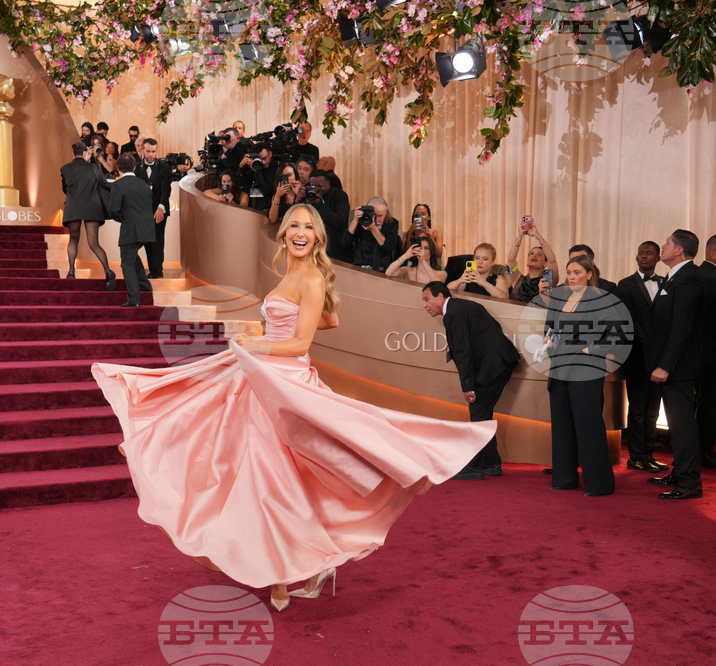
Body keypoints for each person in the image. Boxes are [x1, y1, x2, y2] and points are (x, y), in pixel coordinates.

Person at [91, 205, 496, 612]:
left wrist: (255, 344)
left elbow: (301, 346)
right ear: (284, 233)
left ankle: (284, 576)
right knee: (264, 476)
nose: (300, 233)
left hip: (286, 383)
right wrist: (269, 340)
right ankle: (297, 568)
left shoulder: (313, 276)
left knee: (276, 480)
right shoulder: (293, 275)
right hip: (265, 378)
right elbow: (330, 321)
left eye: (308, 227)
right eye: (294, 226)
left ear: (317, 237)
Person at [542, 255, 630, 496]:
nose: (571, 277)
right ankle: (564, 478)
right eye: (569, 272)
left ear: (590, 274)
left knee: (588, 424)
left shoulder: (601, 300)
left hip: (586, 368)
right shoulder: (560, 299)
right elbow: (550, 328)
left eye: (576, 272)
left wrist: (592, 349)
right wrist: (547, 341)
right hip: (559, 368)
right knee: (562, 425)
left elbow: (617, 335)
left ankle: (599, 484)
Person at [422, 281, 520, 480]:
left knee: (478, 414)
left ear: (440, 297)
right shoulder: (462, 307)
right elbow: (494, 328)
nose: (424, 305)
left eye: (426, 299)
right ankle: (491, 464)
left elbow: (463, 352)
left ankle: (475, 467)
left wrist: (468, 387)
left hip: (494, 367)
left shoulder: (454, 314)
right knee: (481, 415)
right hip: (498, 363)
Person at [645, 230, 705, 499]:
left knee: (682, 425)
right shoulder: (676, 276)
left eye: (667, 242)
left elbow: (682, 328)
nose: (663, 246)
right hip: (671, 365)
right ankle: (680, 472)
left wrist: (665, 365)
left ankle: (690, 482)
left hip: (679, 368)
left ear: (679, 250)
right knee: (675, 423)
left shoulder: (689, 278)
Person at [615, 241, 668, 473]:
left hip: (660, 357)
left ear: (658, 258)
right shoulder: (625, 285)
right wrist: (651, 344)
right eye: (641, 253)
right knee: (637, 406)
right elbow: (626, 321)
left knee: (653, 408)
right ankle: (636, 456)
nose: (644, 257)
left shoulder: (666, 283)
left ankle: (648, 453)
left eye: (649, 254)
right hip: (637, 354)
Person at [60, 142, 115, 290]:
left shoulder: (65, 169)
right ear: (86, 153)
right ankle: (108, 271)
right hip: (92, 207)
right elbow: (104, 184)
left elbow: (65, 188)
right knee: (94, 243)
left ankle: (71, 271)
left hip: (73, 208)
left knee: (73, 239)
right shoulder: (94, 168)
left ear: (73, 154)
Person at [108, 154, 154, 307]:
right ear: (134, 167)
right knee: (132, 255)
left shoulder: (118, 185)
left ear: (118, 169)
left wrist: (121, 218)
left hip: (131, 228)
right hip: (147, 228)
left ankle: (134, 299)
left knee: (126, 263)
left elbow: (113, 210)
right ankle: (145, 285)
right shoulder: (144, 184)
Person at [134, 138, 172, 279]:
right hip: (143, 211)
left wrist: (160, 208)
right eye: (148, 151)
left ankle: (157, 272)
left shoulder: (164, 167)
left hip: (159, 209)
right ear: (142, 150)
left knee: (157, 240)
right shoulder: (137, 167)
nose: (151, 154)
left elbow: (166, 190)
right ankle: (151, 270)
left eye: (153, 151)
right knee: (147, 242)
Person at [506, 219, 560, 302]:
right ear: (527, 260)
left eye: (539, 254)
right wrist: (520, 237)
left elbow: (552, 261)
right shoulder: (517, 279)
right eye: (531, 254)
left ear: (545, 263)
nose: (534, 255)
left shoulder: (548, 280)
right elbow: (510, 260)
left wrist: (538, 237)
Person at [343, 197, 401, 273]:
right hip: (359, 269)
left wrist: (373, 229)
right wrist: (355, 220)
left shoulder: (392, 223)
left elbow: (389, 247)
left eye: (380, 216)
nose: (376, 220)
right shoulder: (362, 222)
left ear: (386, 213)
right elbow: (344, 242)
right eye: (373, 215)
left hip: (381, 271)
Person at [308, 169, 351, 263]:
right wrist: (297, 201)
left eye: (320, 186)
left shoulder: (340, 196)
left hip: (335, 248)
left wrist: (319, 205)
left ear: (328, 183)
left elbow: (339, 221)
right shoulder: (308, 196)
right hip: (313, 246)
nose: (317, 189)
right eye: (313, 186)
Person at [699, 234, 716, 468]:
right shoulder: (710, 277)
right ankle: (704, 451)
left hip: (698, 354)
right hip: (710, 354)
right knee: (709, 405)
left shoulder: (694, 275)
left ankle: (701, 450)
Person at [239, 143, 276, 211]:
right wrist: (241, 168)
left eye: (265, 158)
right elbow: (242, 186)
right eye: (260, 159)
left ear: (270, 153)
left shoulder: (276, 169)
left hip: (268, 210)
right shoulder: (253, 167)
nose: (264, 162)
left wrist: (257, 172)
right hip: (252, 210)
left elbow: (266, 190)